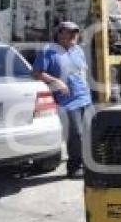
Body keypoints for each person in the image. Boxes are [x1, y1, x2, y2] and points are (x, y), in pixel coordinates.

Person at [33, 22, 92, 177]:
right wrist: (56, 81)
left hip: (84, 97)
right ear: (59, 33)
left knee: (87, 133)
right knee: (76, 134)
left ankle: (87, 163)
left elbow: (82, 71)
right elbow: (37, 73)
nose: (74, 35)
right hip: (67, 101)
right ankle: (74, 168)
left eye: (76, 32)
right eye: (70, 32)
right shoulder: (48, 51)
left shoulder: (78, 50)